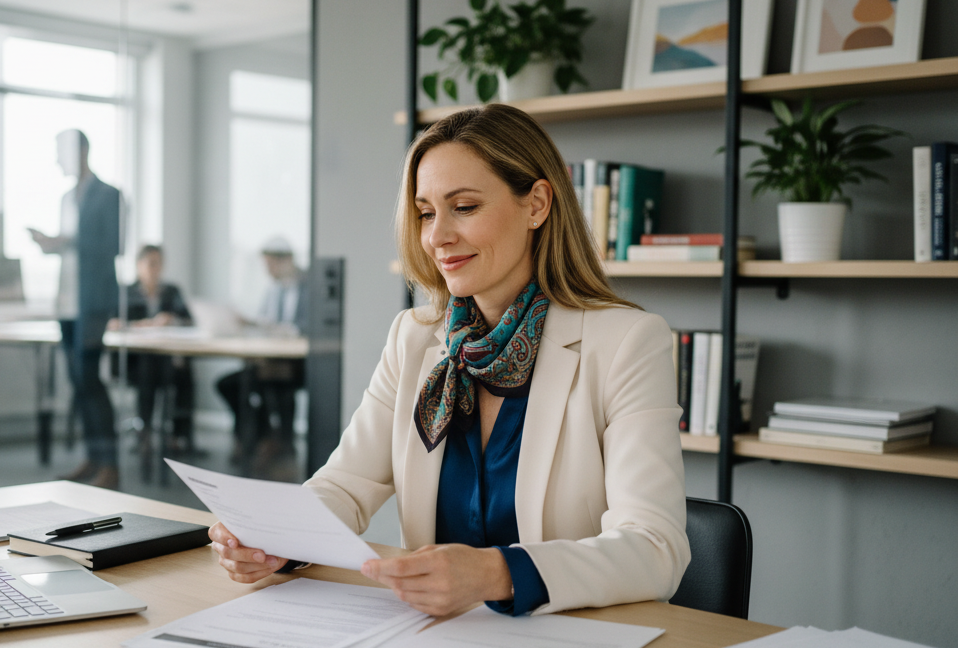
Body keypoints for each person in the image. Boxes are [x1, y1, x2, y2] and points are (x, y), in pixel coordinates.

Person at [209, 104, 690, 617]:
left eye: (463, 207)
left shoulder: (628, 342)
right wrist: (277, 539)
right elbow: (345, 487)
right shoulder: (414, 339)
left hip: (567, 647)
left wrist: (498, 573)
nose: (437, 236)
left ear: (537, 204)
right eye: (425, 213)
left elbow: (655, 546)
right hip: (435, 644)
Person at [29, 129, 123, 490]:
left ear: (81, 150)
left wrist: (65, 241)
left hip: (93, 303)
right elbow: (72, 248)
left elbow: (113, 244)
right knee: (77, 383)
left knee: (90, 380)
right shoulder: (67, 197)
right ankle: (93, 457)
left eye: (61, 152)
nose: (57, 159)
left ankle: (110, 462)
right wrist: (51, 244)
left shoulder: (109, 195)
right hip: (67, 302)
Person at [216, 237, 307, 460]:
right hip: (270, 360)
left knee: (273, 383)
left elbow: (308, 327)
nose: (268, 270)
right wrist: (248, 324)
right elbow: (265, 323)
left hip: (298, 364)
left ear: (286, 261)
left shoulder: (308, 288)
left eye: (271, 264)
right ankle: (261, 436)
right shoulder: (273, 290)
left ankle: (276, 443)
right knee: (229, 384)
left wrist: (279, 330)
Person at [108, 244, 195, 465]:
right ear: (139, 266)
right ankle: (145, 432)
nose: (157, 269)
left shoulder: (171, 291)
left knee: (185, 372)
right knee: (148, 368)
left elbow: (189, 320)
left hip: (166, 358)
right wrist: (141, 325)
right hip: (135, 361)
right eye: (151, 263)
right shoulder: (125, 292)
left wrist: (172, 320)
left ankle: (179, 436)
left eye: (160, 263)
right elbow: (112, 322)